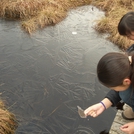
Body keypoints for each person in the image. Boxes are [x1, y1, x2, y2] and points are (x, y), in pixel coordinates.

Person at [84, 11, 134, 134]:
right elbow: (120, 87)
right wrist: (102, 104)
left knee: (126, 93)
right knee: (125, 92)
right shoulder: (128, 60)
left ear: (127, 80)